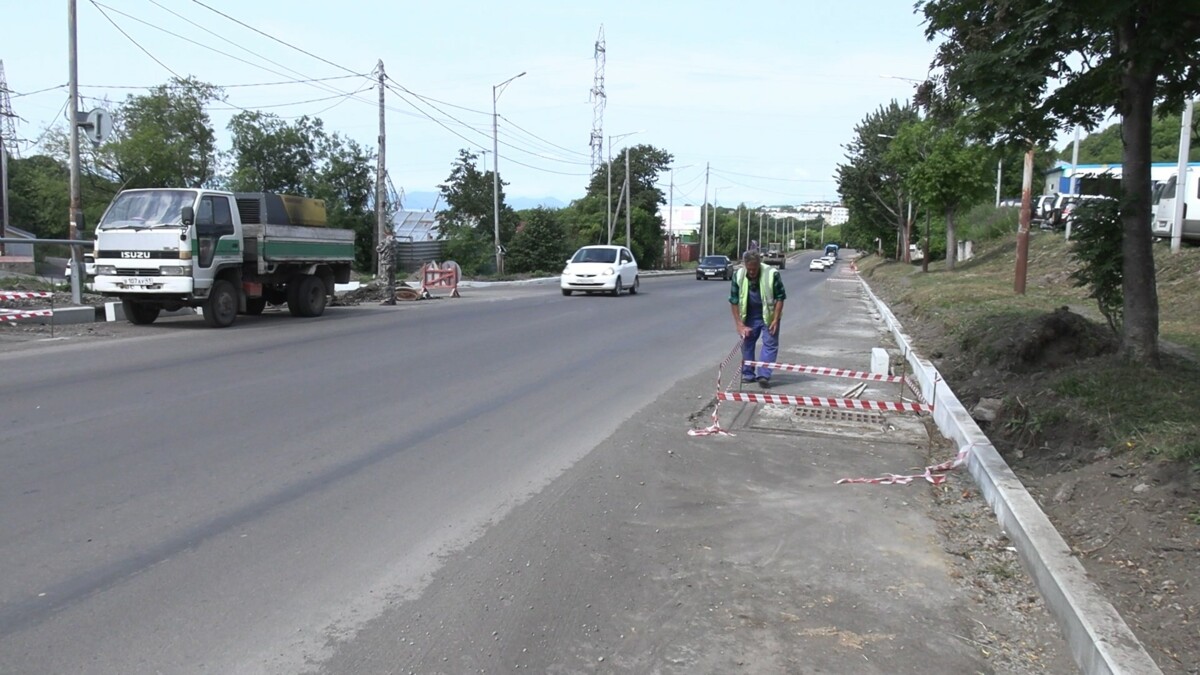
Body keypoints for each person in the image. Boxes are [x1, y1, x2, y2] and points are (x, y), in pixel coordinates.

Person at [729, 250, 786, 388]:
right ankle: (748, 374)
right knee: (747, 342)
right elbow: (734, 300)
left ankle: (763, 375)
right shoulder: (738, 275)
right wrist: (739, 324)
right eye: (749, 269)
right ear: (745, 265)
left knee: (770, 344)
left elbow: (780, 297)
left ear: (759, 265)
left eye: (755, 269)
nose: (752, 272)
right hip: (749, 315)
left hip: (768, 315)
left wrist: (775, 319)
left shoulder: (772, 274)